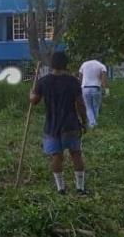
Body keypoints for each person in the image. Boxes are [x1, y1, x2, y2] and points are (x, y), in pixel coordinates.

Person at [30, 52, 89, 195]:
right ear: (66, 64)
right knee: (76, 154)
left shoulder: (43, 81)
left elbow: (34, 101)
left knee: (56, 156)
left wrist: (31, 94)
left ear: (52, 64)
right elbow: (80, 103)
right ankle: (80, 188)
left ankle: (60, 188)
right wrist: (84, 121)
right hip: (71, 124)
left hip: (52, 126)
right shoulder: (73, 81)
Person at [78, 57, 108, 129]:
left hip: (85, 88)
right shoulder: (101, 65)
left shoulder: (84, 64)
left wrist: (80, 86)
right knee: (95, 107)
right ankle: (93, 124)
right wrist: (106, 90)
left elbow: (80, 77)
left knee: (88, 107)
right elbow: (103, 79)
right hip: (96, 88)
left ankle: (92, 124)